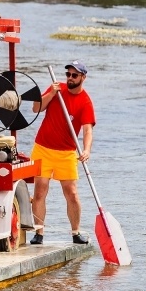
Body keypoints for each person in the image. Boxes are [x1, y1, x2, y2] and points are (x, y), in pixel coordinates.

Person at [29, 61, 95, 245]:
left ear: (83, 77)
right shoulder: (56, 88)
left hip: (66, 153)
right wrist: (51, 94)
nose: (70, 78)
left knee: (71, 193)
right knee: (40, 190)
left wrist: (87, 150)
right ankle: (38, 233)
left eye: (75, 75)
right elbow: (36, 108)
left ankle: (75, 233)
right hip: (43, 148)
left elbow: (88, 130)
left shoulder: (85, 102)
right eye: (68, 75)